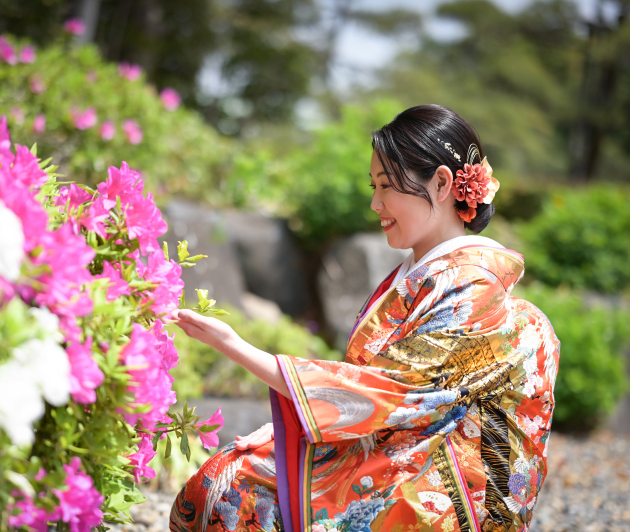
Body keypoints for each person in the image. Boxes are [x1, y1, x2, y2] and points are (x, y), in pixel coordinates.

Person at [169, 104, 559, 532]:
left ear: (442, 183)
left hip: (442, 485)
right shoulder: (423, 272)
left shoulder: (473, 284)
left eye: (387, 186)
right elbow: (372, 385)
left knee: (232, 492)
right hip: (398, 450)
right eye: (375, 186)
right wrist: (287, 428)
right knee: (229, 474)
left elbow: (390, 392)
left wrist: (234, 347)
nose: (375, 203)